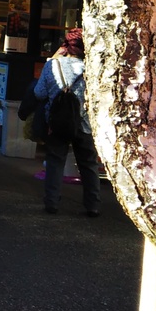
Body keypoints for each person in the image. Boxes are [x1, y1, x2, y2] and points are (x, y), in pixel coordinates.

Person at [33, 27, 102, 216]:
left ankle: (52, 202)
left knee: (55, 161)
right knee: (88, 163)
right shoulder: (94, 69)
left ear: (65, 45)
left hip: (57, 122)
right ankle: (93, 205)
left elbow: (39, 93)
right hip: (84, 122)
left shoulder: (52, 65)